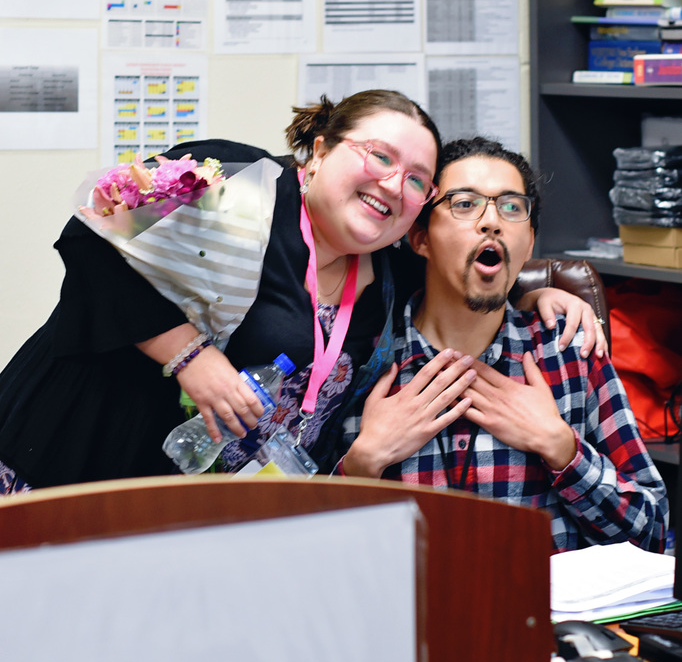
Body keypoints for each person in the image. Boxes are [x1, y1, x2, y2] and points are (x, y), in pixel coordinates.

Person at [0, 95, 603, 494]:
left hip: (195, 501)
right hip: (72, 445)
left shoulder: (387, 273)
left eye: (417, 179)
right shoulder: (237, 182)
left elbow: (467, 273)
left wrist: (542, 295)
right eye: (379, 156)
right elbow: (90, 239)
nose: (393, 183)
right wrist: (191, 356)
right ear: (318, 152)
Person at [333, 136, 669, 552]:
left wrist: (562, 449)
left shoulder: (568, 352)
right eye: (464, 203)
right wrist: (364, 463)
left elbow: (651, 534)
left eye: (511, 207)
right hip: (407, 614)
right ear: (421, 238)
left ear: (528, 244)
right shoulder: (360, 360)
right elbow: (298, 547)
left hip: (544, 615)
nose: (491, 221)